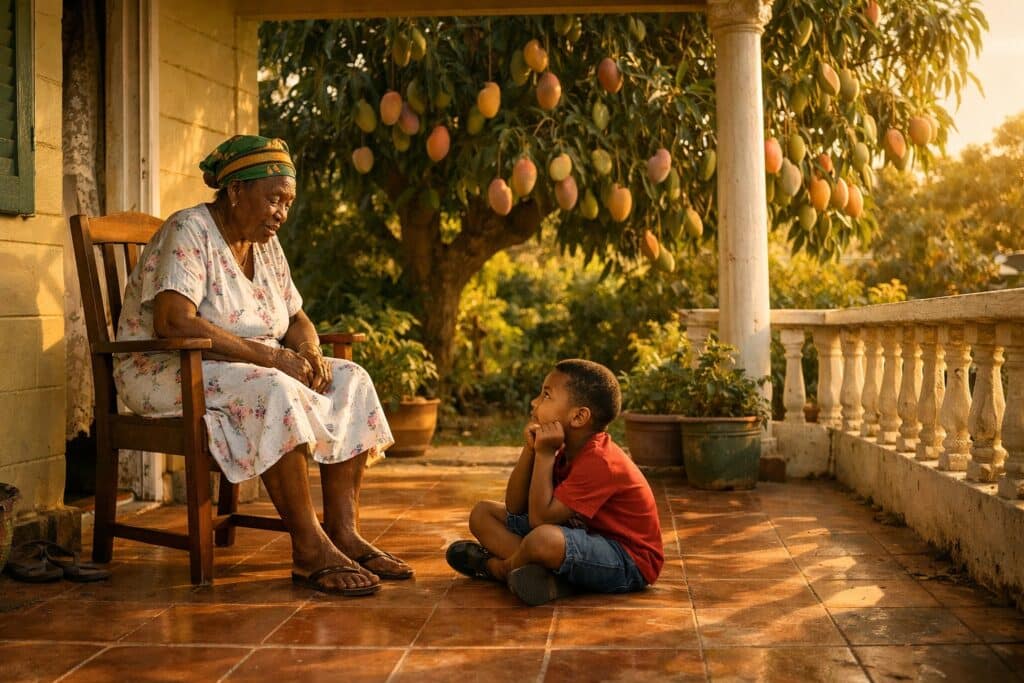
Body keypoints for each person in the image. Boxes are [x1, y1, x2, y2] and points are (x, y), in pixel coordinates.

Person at [113, 135, 413, 596]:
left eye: (287, 203)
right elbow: (173, 321)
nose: (281, 214)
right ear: (235, 190)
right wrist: (273, 357)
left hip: (242, 368)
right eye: (274, 199)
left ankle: (343, 532)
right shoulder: (189, 229)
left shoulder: (265, 243)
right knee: (275, 387)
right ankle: (309, 547)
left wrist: (310, 352)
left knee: (350, 378)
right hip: (167, 368)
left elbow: (296, 318)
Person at [446, 359, 664, 606]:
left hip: (628, 560)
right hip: (578, 537)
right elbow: (515, 506)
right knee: (482, 513)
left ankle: (500, 569)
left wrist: (545, 454)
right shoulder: (565, 449)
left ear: (579, 416)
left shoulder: (600, 460)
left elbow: (540, 521)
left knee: (543, 540)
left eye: (546, 395)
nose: (534, 402)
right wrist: (531, 450)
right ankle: (550, 575)